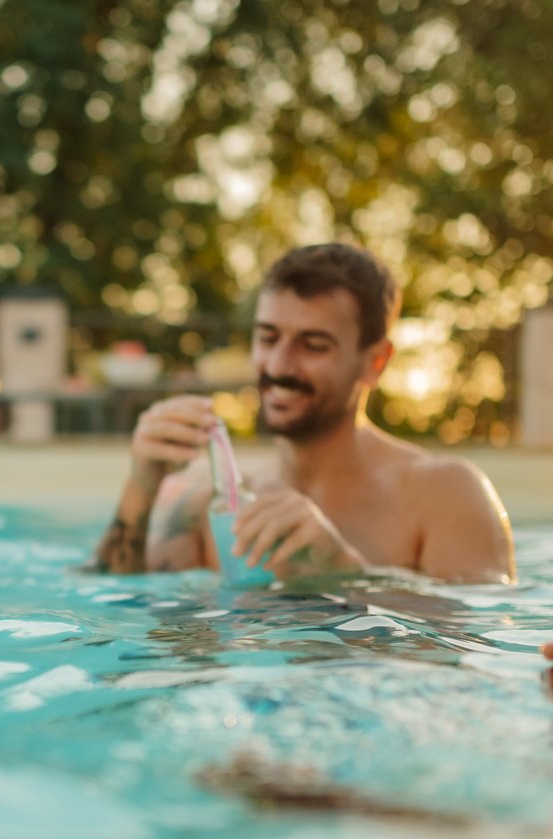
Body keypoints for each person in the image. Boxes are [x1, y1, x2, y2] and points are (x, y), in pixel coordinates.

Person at [95, 242, 516, 584]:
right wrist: (141, 486)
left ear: (375, 362)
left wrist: (347, 575)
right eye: (268, 337)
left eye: (313, 345)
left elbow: (476, 649)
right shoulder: (211, 504)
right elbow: (116, 614)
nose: (279, 366)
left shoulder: (443, 494)